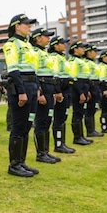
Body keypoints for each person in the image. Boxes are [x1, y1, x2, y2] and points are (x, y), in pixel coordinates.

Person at [3, 14, 40, 177]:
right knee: (18, 126)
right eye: (26, 24)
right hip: (21, 86)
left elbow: (34, 68)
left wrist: (37, 87)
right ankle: (14, 164)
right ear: (17, 26)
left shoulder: (28, 45)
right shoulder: (12, 44)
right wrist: (22, 92)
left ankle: (22, 162)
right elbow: (13, 69)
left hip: (32, 85)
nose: (29, 27)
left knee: (26, 126)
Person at [29, 27, 61, 164]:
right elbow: (34, 74)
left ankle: (46, 151)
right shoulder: (35, 52)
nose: (48, 38)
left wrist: (53, 91)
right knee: (41, 121)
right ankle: (40, 153)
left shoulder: (45, 53)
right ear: (37, 38)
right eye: (46, 36)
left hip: (49, 87)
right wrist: (40, 93)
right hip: (41, 87)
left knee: (48, 120)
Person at [48, 36, 77, 153]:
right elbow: (55, 76)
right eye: (63, 43)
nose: (65, 45)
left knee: (63, 117)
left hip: (66, 90)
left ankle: (62, 143)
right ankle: (59, 144)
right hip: (60, 90)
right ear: (55, 45)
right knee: (59, 118)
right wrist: (58, 91)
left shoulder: (62, 58)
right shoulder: (55, 58)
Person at [68, 41, 93, 146]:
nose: (84, 49)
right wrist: (81, 93)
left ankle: (81, 136)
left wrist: (87, 91)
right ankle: (77, 137)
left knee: (81, 112)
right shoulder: (74, 61)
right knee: (77, 113)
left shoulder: (81, 60)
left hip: (84, 87)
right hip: (77, 88)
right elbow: (74, 78)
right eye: (81, 47)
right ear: (75, 49)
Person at [83, 44, 105, 138]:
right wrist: (86, 90)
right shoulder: (85, 62)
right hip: (90, 86)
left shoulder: (92, 63)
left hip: (95, 86)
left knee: (93, 109)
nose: (96, 53)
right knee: (89, 109)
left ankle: (92, 129)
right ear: (89, 52)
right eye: (94, 51)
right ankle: (90, 130)